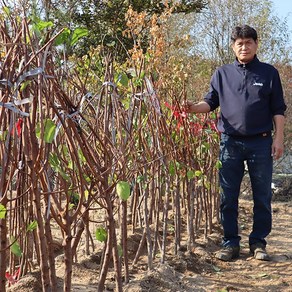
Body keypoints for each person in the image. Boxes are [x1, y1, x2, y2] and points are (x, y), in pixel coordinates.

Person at [183, 25, 287, 261]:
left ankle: (258, 243)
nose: (244, 46)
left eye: (248, 42)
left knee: (262, 196)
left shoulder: (269, 73)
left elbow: (278, 109)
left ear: (256, 44)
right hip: (230, 143)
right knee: (228, 195)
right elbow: (209, 103)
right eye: (239, 43)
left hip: (261, 143)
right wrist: (190, 109)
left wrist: (278, 138)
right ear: (233, 46)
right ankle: (230, 243)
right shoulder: (222, 73)